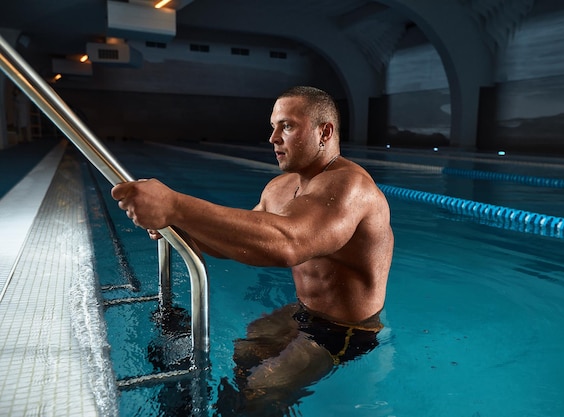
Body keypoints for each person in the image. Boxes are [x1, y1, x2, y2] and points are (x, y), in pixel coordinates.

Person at [111, 86, 394, 414]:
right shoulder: (282, 187)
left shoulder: (351, 188)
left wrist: (175, 206)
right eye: (273, 127)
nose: (273, 137)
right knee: (246, 351)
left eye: (287, 126)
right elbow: (243, 241)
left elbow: (287, 244)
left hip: (347, 330)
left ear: (325, 132)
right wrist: (183, 231)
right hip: (303, 311)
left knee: (261, 389)